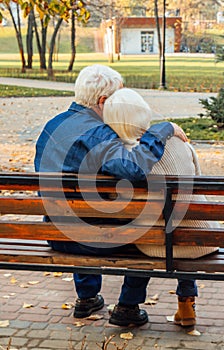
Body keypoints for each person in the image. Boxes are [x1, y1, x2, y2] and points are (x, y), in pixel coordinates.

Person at [34, 64, 187, 327]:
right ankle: (128, 306)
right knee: (148, 234)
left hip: (57, 234)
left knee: (82, 217)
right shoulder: (100, 133)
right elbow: (134, 168)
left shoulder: (52, 125)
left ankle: (87, 298)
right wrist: (163, 130)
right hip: (94, 238)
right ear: (103, 101)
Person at [103, 87, 219, 327]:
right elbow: (197, 185)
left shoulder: (123, 160)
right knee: (184, 231)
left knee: (142, 236)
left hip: (152, 245)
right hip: (201, 240)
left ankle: (128, 304)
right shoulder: (180, 142)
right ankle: (187, 305)